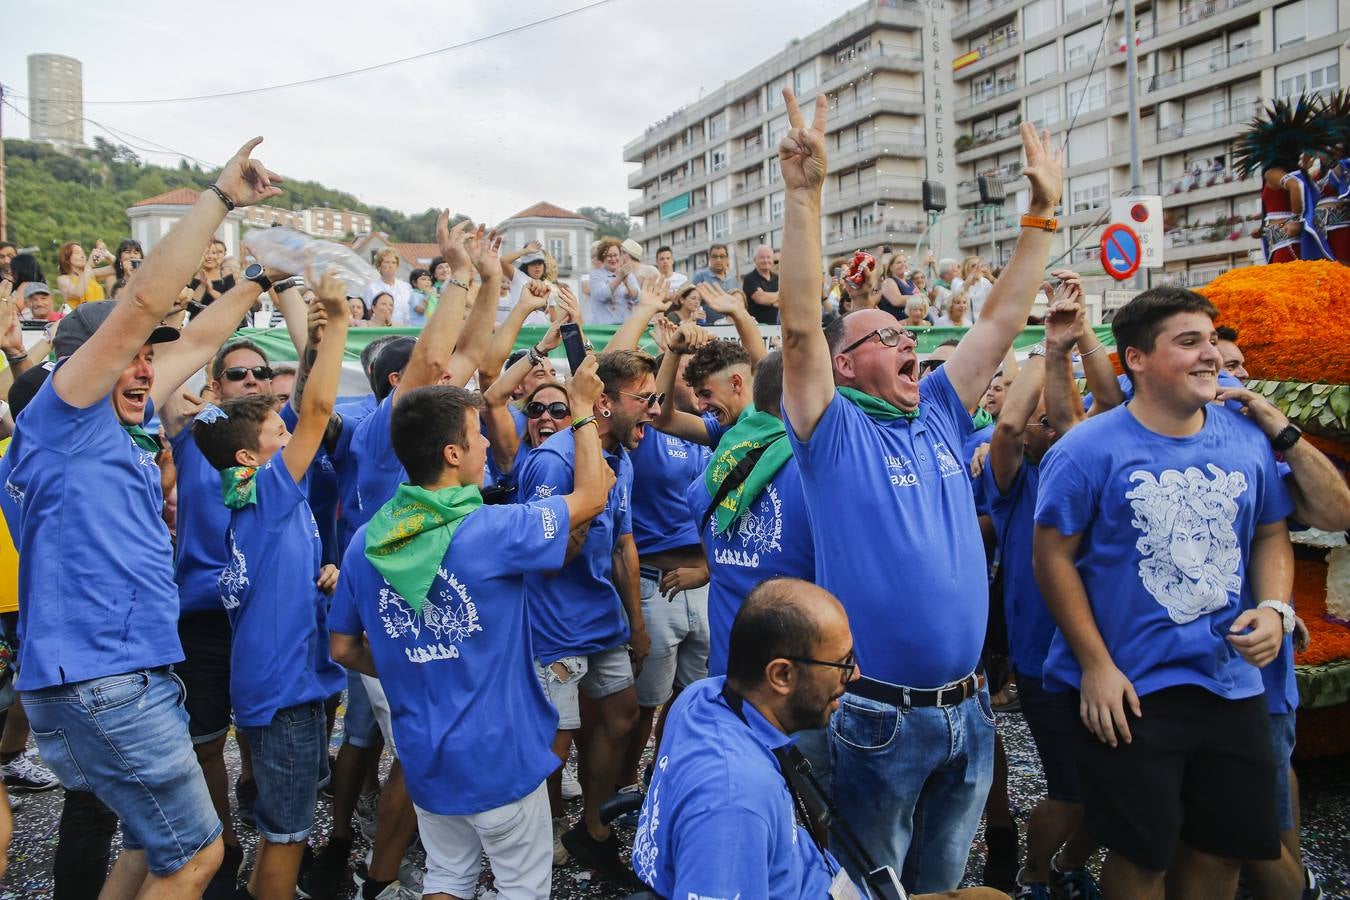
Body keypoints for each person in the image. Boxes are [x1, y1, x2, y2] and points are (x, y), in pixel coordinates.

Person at [775, 86, 1063, 891]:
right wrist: (806, 198)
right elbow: (799, 328)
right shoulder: (832, 433)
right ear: (845, 365)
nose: (911, 344)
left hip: (967, 714)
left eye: (910, 336)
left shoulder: (937, 410)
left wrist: (1041, 218)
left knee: (937, 886)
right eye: (888, 337)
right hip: (875, 719)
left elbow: (1003, 321)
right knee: (872, 887)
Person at [0, 137, 282, 899]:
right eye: (127, 358)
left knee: (148, 851)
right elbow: (145, 308)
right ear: (74, 363)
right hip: (103, 678)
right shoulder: (66, 415)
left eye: (144, 364)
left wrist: (261, 278)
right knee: (197, 857)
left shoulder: (115, 425)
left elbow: (191, 338)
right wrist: (219, 199)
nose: (142, 370)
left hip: (111, 674)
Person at [1032, 286, 1296, 899]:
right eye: (1188, 342)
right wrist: (1096, 665)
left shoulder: (1246, 437)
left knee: (1223, 849)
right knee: (1142, 854)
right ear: (1136, 359)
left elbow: (1271, 531)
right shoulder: (1086, 449)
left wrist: (1276, 608)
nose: (1211, 355)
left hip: (1231, 683)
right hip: (1130, 690)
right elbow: (1052, 558)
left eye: (1211, 339)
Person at [331, 356, 613, 900]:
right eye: (477, 436)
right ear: (452, 454)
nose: (487, 446)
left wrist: (403, 658)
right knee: (521, 886)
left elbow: (342, 645)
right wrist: (580, 410)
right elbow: (593, 497)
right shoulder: (493, 529)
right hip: (499, 753)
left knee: (448, 876)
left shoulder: (367, 539)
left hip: (425, 755)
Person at [189, 271, 349, 900]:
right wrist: (335, 322)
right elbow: (316, 408)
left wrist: (321, 580)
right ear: (252, 459)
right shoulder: (269, 493)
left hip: (288, 686)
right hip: (282, 695)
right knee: (287, 835)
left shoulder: (257, 497)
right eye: (278, 438)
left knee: (286, 826)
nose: (293, 441)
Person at [516, 350, 654, 883]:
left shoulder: (620, 456)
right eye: (643, 399)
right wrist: (586, 502)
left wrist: (636, 623)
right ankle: (544, 835)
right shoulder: (554, 460)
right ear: (604, 403)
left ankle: (592, 828)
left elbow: (624, 546)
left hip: (602, 622)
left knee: (620, 717)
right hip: (554, 628)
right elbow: (547, 558)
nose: (653, 409)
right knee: (556, 742)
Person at [986, 299, 1108, 900]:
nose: (1055, 425)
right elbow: (1008, 427)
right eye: (1045, 420)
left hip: (1110, 657)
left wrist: (1077, 341)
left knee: (1119, 789)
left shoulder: (1090, 465)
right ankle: (1033, 873)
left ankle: (1069, 868)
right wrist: (1044, 349)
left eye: (1059, 417)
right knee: (1072, 788)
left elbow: (1100, 410)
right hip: (1044, 661)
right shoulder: (1012, 480)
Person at [691, 243, 738, 324]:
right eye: (715, 256)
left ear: (727, 259)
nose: (718, 260)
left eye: (722, 256)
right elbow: (690, 300)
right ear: (710, 258)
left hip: (730, 329)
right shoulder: (701, 277)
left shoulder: (733, 280)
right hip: (707, 327)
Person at [56, 241, 112, 308]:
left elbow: (118, 268)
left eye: (83, 253)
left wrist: (106, 254)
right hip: (80, 317)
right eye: (77, 253)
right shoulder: (63, 279)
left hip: (100, 316)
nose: (82, 256)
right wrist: (89, 265)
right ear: (67, 259)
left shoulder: (90, 273)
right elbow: (79, 292)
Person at [363, 249, 412, 325]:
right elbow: (368, 313)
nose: (391, 265)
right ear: (379, 266)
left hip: (403, 330)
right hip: (380, 330)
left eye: (394, 263)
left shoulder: (406, 287)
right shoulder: (371, 288)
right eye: (387, 262)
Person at [189, 239, 237, 312]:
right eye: (206, 253)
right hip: (197, 321)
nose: (210, 256)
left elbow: (231, 302)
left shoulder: (226, 275)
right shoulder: (191, 276)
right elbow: (190, 308)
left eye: (213, 253)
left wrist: (211, 290)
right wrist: (202, 286)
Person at [742, 245, 779, 325]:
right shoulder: (749, 278)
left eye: (768, 257)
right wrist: (779, 295)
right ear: (755, 260)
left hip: (777, 327)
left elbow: (786, 300)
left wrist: (768, 298)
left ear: (772, 260)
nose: (766, 260)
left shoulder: (778, 278)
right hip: (757, 327)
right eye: (762, 257)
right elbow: (761, 299)